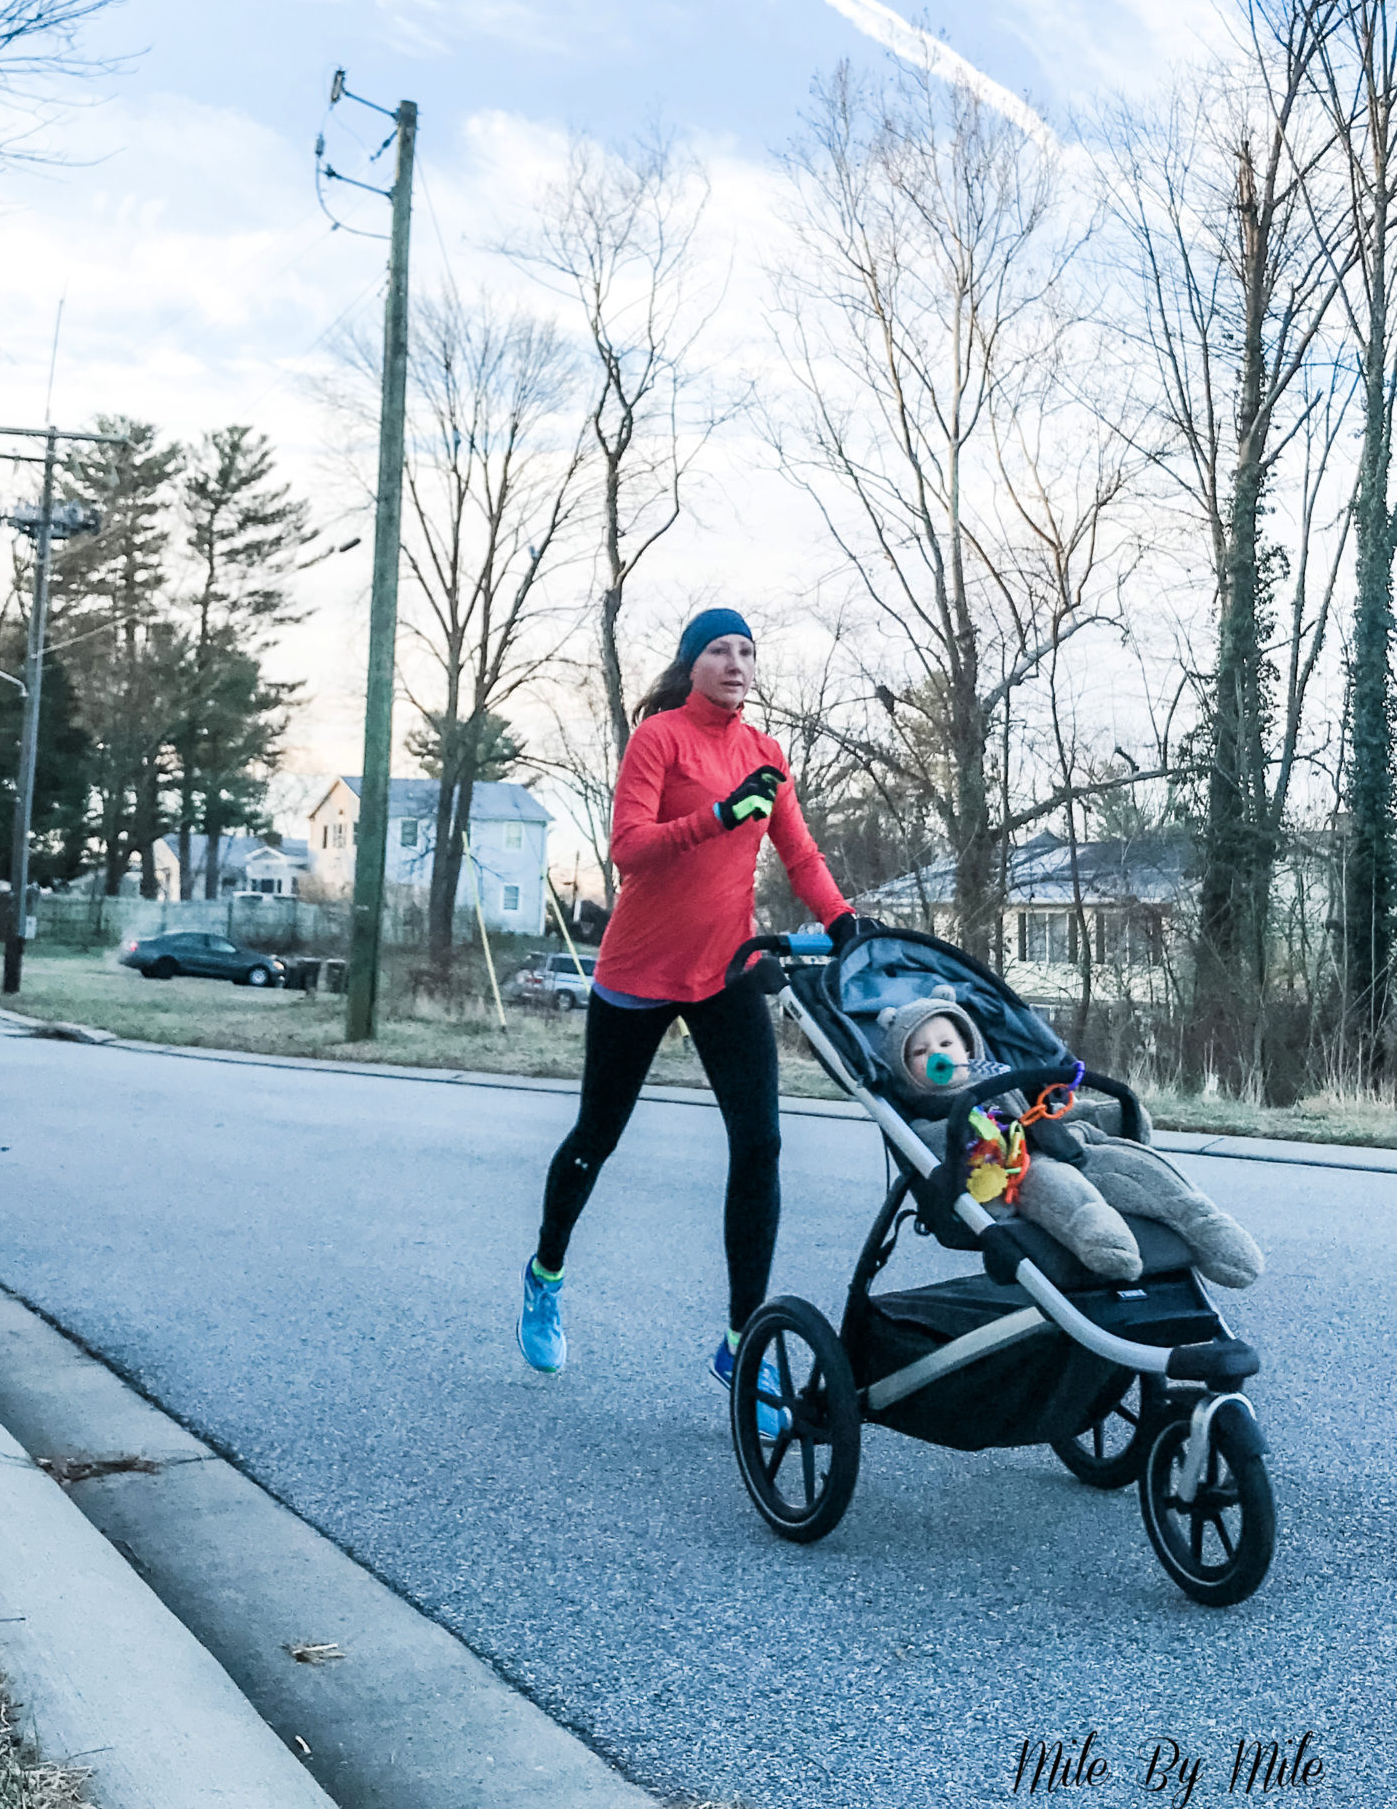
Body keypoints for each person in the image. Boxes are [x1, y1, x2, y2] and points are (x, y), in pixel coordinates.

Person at [516, 608, 858, 1424]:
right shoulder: (660, 739)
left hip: (724, 968)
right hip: (638, 969)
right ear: (690, 662)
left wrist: (844, 924)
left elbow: (799, 854)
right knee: (597, 1136)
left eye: (746, 649)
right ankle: (546, 1275)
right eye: (718, 649)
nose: (736, 662)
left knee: (761, 1142)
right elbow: (627, 847)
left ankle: (743, 1346)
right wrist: (715, 816)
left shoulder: (765, 754)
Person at [879, 994, 1263, 1287]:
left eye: (945, 1044)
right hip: (1022, 1171)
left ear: (967, 1048)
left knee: (1134, 1167)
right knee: (1062, 1187)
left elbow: (1044, 1111)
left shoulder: (1001, 1081)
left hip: (1066, 1143)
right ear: (903, 1066)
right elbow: (944, 1160)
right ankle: (1100, 1237)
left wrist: (1102, 1116)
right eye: (919, 1051)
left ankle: (1208, 1227)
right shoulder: (929, 1116)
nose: (936, 1055)